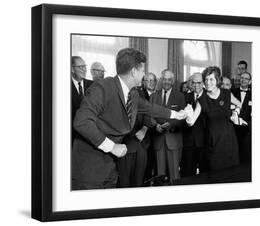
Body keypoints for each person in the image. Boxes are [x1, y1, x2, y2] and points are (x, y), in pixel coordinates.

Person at [72, 48, 186, 190]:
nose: (144, 74)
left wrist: (177, 114)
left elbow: (152, 108)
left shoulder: (133, 93)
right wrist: (112, 147)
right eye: (142, 70)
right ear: (133, 71)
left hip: (110, 166)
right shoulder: (102, 87)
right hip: (88, 169)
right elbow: (82, 122)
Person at [185, 66, 241, 171]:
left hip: (229, 142)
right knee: (215, 175)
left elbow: (239, 105)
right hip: (213, 144)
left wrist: (235, 114)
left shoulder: (226, 93)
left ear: (217, 80)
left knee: (232, 175)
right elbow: (191, 122)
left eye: (211, 79)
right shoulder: (202, 99)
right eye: (206, 79)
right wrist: (188, 114)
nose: (208, 82)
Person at [150, 69, 185, 183]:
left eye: (169, 79)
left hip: (173, 139)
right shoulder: (154, 96)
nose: (166, 82)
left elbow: (182, 117)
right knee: (159, 175)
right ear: (161, 80)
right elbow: (149, 115)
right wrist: (156, 125)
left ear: (173, 81)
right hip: (158, 139)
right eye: (164, 79)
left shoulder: (180, 96)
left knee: (174, 176)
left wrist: (170, 124)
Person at [181, 72, 208, 176]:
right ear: (191, 83)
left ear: (203, 83)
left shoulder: (209, 97)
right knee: (188, 171)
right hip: (188, 141)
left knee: (204, 172)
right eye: (194, 83)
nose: (196, 85)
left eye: (199, 83)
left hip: (204, 141)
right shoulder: (185, 97)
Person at [231, 71, 252, 164]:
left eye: (246, 78)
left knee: (245, 153)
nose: (243, 80)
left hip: (247, 129)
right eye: (242, 78)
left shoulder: (255, 94)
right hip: (233, 127)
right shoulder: (232, 92)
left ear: (250, 81)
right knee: (234, 152)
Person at [71, 56, 93, 143]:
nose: (85, 70)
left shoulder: (93, 85)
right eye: (81, 67)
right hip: (72, 136)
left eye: (85, 66)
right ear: (72, 69)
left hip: (90, 135)